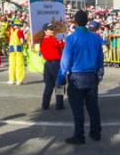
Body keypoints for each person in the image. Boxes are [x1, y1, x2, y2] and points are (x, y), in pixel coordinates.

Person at [57, 9, 104, 145]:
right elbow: (100, 59)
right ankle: (96, 132)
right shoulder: (95, 38)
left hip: (76, 77)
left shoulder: (71, 39)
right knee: (93, 106)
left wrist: (60, 78)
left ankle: (79, 135)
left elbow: (65, 61)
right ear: (87, 21)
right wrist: (100, 75)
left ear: (75, 22)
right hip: (92, 76)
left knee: (78, 109)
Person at [39, 23, 65, 110]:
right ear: (45, 31)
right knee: (59, 84)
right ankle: (59, 104)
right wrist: (62, 40)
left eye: (52, 29)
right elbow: (61, 45)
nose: (52, 31)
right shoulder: (51, 40)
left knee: (48, 86)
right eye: (50, 29)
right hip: (55, 64)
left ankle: (45, 105)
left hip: (47, 64)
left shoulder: (43, 41)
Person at [7, 20, 26, 85]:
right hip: (18, 48)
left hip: (11, 48)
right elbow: (22, 41)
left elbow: (9, 39)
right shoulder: (19, 31)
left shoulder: (10, 31)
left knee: (12, 64)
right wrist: (24, 44)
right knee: (19, 64)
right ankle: (19, 80)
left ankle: (11, 80)